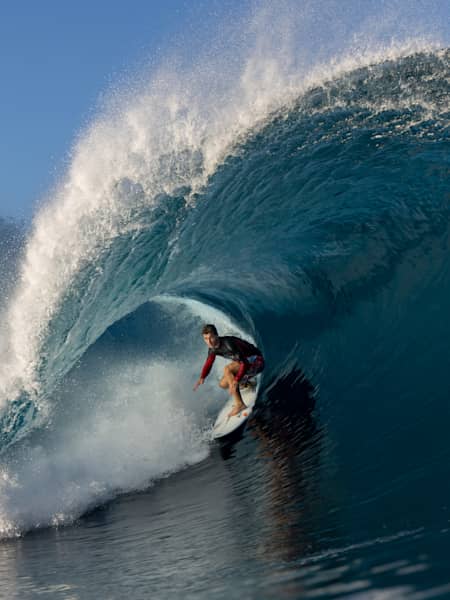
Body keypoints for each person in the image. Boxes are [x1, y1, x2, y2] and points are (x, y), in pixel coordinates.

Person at [193, 324, 265, 417]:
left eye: (211, 338)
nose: (209, 342)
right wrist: (202, 377)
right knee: (223, 384)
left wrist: (236, 380)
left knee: (227, 369)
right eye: (206, 339)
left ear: (216, 335)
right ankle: (246, 383)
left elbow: (245, 363)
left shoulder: (228, 344)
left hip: (257, 361)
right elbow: (209, 363)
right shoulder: (212, 349)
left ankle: (240, 404)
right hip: (248, 366)